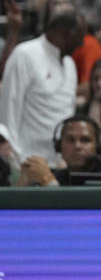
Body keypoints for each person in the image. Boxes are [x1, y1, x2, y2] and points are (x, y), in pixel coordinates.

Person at [0, 9, 85, 166]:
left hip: (59, 164)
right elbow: (9, 110)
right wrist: (13, 161)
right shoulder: (25, 54)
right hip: (26, 161)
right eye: (78, 38)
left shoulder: (70, 64)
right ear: (64, 34)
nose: (82, 44)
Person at [17, 115, 101, 186]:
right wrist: (24, 181)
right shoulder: (58, 176)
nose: (77, 146)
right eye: (70, 140)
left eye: (85, 140)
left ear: (98, 147)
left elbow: (77, 212)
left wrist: (48, 181)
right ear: (59, 146)